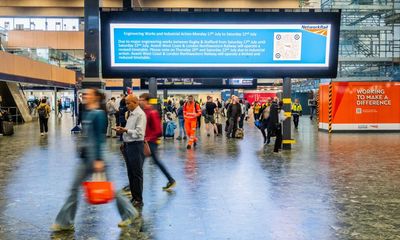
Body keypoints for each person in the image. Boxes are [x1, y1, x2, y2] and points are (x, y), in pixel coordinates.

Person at [51, 89, 138, 232]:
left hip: (98, 158)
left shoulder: (99, 114)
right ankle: (65, 221)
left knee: (111, 190)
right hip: (86, 158)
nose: (85, 96)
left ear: (96, 98)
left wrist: (98, 159)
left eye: (88, 94)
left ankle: (129, 213)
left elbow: (99, 138)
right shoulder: (87, 112)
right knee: (73, 188)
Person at [139, 93, 176, 191]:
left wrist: (149, 138)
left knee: (140, 164)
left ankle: (131, 186)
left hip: (150, 142)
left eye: (141, 100)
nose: (139, 101)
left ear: (146, 101)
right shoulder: (144, 112)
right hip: (146, 142)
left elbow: (158, 131)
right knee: (152, 162)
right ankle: (171, 180)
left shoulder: (152, 112)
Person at [115, 94, 147, 209]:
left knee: (137, 174)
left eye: (129, 103)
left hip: (136, 146)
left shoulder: (140, 115)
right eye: (126, 103)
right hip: (129, 146)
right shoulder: (131, 114)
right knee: (131, 173)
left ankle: (139, 199)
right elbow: (130, 131)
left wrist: (125, 130)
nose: (127, 105)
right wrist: (122, 131)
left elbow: (140, 133)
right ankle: (134, 197)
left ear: (136, 102)